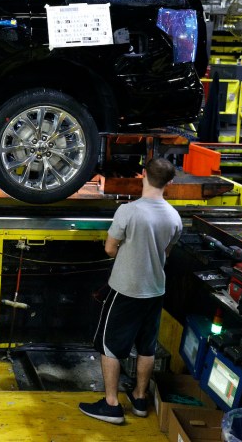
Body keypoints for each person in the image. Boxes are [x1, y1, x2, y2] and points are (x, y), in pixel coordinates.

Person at [78, 157, 182, 425]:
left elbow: (110, 249)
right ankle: (139, 398)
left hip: (126, 290)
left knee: (109, 346)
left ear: (143, 175)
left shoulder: (128, 211)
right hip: (155, 290)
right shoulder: (174, 217)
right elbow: (165, 254)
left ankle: (112, 404)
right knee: (147, 347)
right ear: (169, 182)